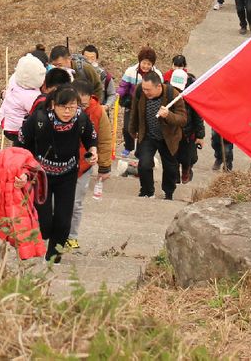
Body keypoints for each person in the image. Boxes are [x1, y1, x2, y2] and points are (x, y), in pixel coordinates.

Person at [20, 86, 97, 262]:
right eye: (63, 107)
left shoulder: (81, 119)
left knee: (63, 221)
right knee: (45, 223)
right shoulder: (39, 119)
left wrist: (93, 151)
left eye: (72, 107)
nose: (68, 111)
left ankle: (54, 259)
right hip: (42, 176)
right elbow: (21, 142)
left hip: (68, 175)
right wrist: (23, 169)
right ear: (54, 105)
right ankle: (44, 236)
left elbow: (91, 137)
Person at [64, 81, 113, 250]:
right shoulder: (61, 107)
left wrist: (104, 167)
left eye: (84, 104)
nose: (81, 108)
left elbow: (106, 139)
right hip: (59, 163)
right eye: (78, 104)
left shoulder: (97, 111)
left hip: (84, 164)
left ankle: (72, 236)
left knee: (76, 202)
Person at [126, 72, 188, 200]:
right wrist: (132, 129)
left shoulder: (173, 94)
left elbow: (183, 119)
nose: (145, 92)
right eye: (144, 89)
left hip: (168, 138)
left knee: (170, 168)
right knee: (144, 164)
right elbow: (135, 111)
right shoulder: (139, 91)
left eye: (148, 90)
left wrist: (168, 115)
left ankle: (168, 193)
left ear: (159, 86)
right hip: (148, 134)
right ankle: (147, 191)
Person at [165, 58, 204, 184]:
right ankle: (174, 178)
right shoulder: (166, 90)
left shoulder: (191, 91)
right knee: (172, 156)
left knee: (188, 157)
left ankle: (186, 169)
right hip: (172, 131)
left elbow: (198, 115)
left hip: (188, 132)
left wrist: (200, 135)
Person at [117, 48, 158, 159]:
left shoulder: (157, 74)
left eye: (149, 64)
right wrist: (118, 94)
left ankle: (139, 152)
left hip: (148, 105)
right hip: (131, 104)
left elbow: (160, 90)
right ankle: (128, 147)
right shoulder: (130, 71)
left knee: (143, 130)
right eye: (144, 63)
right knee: (127, 128)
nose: (145, 66)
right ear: (140, 61)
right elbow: (123, 86)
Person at [0, 53, 47, 144]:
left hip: (5, 119)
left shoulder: (14, 78)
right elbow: (39, 111)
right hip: (16, 129)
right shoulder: (31, 96)